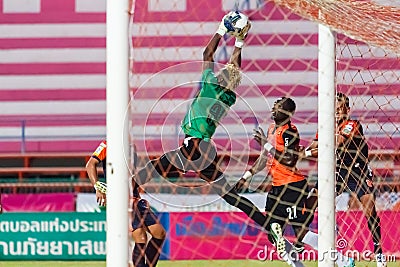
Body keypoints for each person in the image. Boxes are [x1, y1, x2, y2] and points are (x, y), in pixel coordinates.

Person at [133, 12, 281, 245]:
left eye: (222, 72)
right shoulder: (228, 95)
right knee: (230, 197)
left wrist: (222, 29)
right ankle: (268, 226)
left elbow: (208, 54)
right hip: (203, 151)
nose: (221, 70)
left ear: (222, 78)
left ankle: (126, 201)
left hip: (194, 148)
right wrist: (240, 40)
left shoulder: (211, 85)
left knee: (147, 171)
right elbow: (234, 68)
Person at [235, 97, 355, 267]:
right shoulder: (271, 129)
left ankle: (342, 261)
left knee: (301, 233)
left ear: (288, 113)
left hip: (292, 187)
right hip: (276, 188)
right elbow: (265, 157)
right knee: (274, 234)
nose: (273, 110)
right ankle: (328, 262)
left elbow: (289, 160)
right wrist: (246, 176)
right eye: (274, 107)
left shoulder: (289, 131)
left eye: (278, 108)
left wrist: (265, 145)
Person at [302, 92, 386, 267]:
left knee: (369, 208)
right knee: (310, 203)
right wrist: (302, 150)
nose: (338, 113)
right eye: (335, 110)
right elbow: (315, 145)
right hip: (337, 172)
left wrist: (306, 153)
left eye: (341, 109)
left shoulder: (352, 124)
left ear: (347, 110)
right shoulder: (324, 128)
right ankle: (304, 240)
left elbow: (337, 142)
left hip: (358, 172)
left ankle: (379, 254)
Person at [86, 140, 166, 267]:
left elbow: (131, 177)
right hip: (119, 199)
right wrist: (97, 187)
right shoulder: (108, 144)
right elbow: (90, 164)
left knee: (159, 232)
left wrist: (138, 197)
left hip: (134, 198)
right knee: (140, 236)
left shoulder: (132, 147)